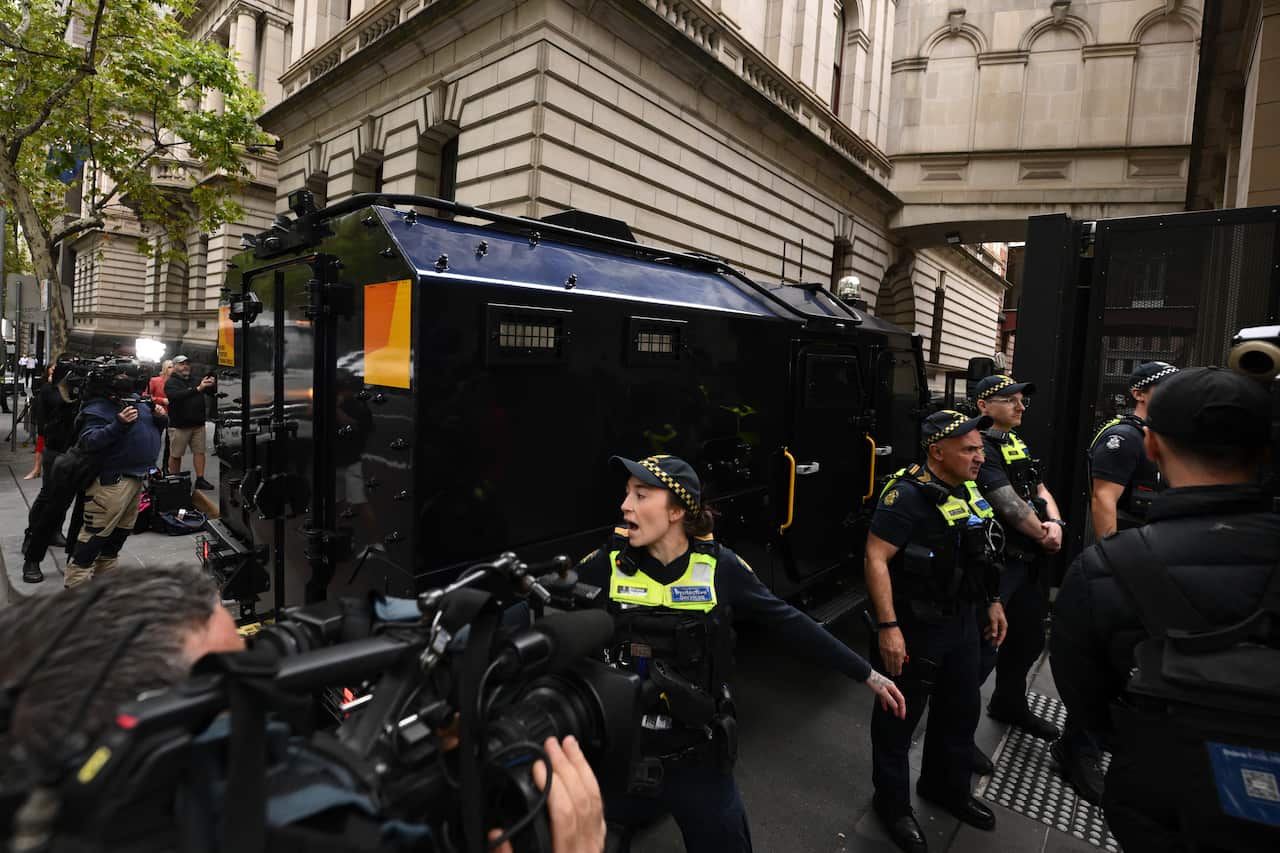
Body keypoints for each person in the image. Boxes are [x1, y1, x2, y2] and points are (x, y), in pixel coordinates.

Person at [575, 454, 905, 853]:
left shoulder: (720, 568)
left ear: (678, 510)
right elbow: (540, 603)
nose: (625, 505)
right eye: (627, 493)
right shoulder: (606, 564)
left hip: (696, 756)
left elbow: (789, 622)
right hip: (623, 753)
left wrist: (866, 673)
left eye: (641, 495)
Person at [1051, 367, 1280, 837]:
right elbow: (1104, 498)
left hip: (1162, 804)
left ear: (1154, 446)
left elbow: (1084, 687)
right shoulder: (1120, 442)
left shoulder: (1103, 576)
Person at [865, 410, 1008, 853]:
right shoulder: (904, 496)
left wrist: (992, 601)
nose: (979, 456)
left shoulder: (965, 490)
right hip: (915, 627)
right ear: (936, 451)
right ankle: (892, 805)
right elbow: (875, 559)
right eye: (969, 449)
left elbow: (978, 555)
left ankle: (945, 786)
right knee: (898, 720)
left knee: (961, 709)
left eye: (980, 448)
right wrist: (889, 628)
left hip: (962, 621)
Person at [971, 375, 1062, 749]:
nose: (1021, 406)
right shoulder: (980, 447)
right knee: (981, 653)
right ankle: (957, 737)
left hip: (1028, 561)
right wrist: (1045, 533)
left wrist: (1054, 523)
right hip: (999, 563)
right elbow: (1006, 503)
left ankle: (1009, 703)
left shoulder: (1015, 442)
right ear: (983, 406)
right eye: (1010, 400)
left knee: (1026, 639)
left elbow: (1039, 488)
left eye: (1022, 400)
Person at [63, 364, 167, 589]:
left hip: (136, 478)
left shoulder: (138, 402)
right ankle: (77, 591)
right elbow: (89, 442)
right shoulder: (98, 408)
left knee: (117, 537)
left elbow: (149, 432)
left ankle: (105, 587)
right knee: (95, 537)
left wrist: (160, 420)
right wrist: (118, 424)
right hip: (111, 482)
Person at [1088, 361, 1178, 539]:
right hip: (1130, 542)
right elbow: (1104, 498)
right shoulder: (1126, 436)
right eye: (1166, 387)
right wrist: (1111, 556)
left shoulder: (1160, 435)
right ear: (1138, 394)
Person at [20, 359, 81, 584]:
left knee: (67, 504)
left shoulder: (81, 394)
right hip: (57, 453)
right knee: (50, 502)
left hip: (79, 453)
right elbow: (47, 419)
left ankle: (58, 536)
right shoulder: (50, 392)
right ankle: (32, 545)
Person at [164, 354, 215, 489]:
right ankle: (175, 481)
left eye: (187, 363)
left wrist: (211, 385)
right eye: (181, 364)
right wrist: (198, 389)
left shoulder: (196, 380)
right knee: (176, 455)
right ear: (174, 367)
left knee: (200, 452)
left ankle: (200, 479)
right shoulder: (171, 382)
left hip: (198, 424)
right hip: (180, 425)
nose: (185, 366)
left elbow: (210, 393)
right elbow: (176, 396)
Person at [22, 364, 57, 480]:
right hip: (45, 417)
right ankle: (37, 469)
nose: (54, 371)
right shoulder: (45, 385)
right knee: (41, 442)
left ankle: (41, 469)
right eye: (52, 369)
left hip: (54, 417)